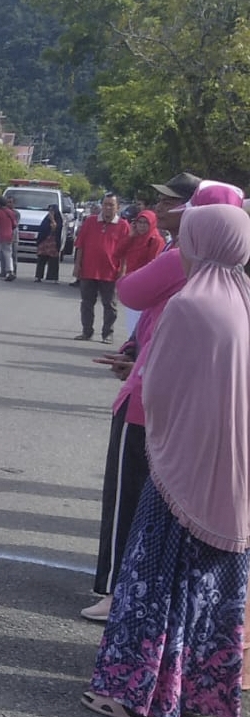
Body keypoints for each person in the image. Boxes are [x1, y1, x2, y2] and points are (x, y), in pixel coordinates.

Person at [82, 202, 250, 717]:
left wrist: (137, 370)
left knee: (153, 579)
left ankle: (134, 694)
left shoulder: (189, 304)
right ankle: (204, 695)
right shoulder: (243, 299)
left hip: (182, 468)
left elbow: (161, 389)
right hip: (232, 472)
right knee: (210, 586)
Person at [83, 175, 219, 624]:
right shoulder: (227, 276)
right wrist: (135, 351)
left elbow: (132, 292)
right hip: (182, 402)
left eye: (176, 203)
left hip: (150, 398)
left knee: (128, 495)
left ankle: (115, 588)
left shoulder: (186, 259)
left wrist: (142, 363)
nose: (163, 207)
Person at [74, 194, 130, 343]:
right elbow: (80, 246)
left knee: (110, 305)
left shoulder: (123, 225)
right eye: (105, 204)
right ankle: (87, 331)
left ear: (117, 207)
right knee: (86, 303)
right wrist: (77, 266)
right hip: (89, 270)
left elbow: (126, 252)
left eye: (111, 205)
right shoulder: (91, 221)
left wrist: (122, 271)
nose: (108, 207)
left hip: (110, 272)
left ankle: (108, 333)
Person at [118, 209, 165, 338]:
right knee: (132, 318)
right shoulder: (135, 238)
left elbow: (153, 266)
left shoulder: (155, 240)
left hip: (145, 286)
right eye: (140, 222)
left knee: (142, 320)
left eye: (146, 223)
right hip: (133, 283)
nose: (142, 226)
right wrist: (130, 236)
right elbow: (117, 253)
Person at [35, 203, 65, 282]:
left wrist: (52, 219)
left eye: (52, 210)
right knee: (41, 259)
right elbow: (42, 229)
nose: (51, 212)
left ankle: (53, 277)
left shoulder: (58, 219)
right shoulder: (46, 219)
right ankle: (38, 276)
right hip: (44, 241)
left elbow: (56, 228)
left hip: (53, 242)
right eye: (50, 210)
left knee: (53, 260)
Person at [0, 196, 18, 280]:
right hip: (9, 236)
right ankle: (10, 271)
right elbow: (14, 225)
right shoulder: (11, 212)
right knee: (8, 254)